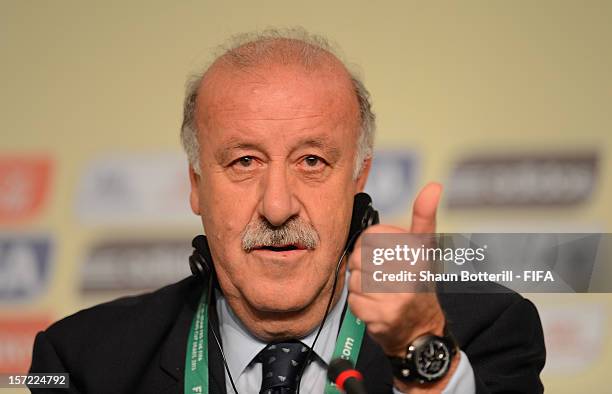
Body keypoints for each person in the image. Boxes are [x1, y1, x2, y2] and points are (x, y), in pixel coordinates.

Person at [29, 28, 545, 394]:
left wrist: (422, 357)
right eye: (244, 161)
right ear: (196, 185)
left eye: (312, 160)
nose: (277, 207)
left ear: (358, 178)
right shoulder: (79, 361)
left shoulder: (487, 333)